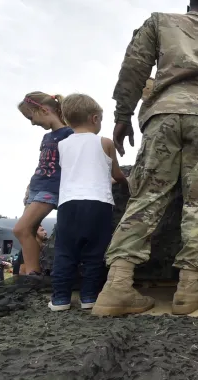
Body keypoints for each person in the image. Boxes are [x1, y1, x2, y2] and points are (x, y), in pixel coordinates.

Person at [93, 0, 198, 317]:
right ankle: (189, 287)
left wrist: (122, 117)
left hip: (161, 117)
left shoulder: (159, 22)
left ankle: (118, 285)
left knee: (146, 195)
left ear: (188, 5)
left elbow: (134, 68)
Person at [48, 94, 127, 312]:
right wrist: (124, 182)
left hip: (68, 204)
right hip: (98, 203)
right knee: (95, 252)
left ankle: (60, 299)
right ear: (94, 119)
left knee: (65, 252)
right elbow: (117, 174)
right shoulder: (105, 143)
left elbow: (76, 172)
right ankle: (90, 297)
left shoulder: (61, 145)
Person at [14, 92, 74, 278]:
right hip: (37, 186)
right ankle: (28, 269)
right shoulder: (47, 137)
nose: (32, 123)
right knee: (30, 230)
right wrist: (28, 188)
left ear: (43, 110)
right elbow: (42, 164)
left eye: (31, 117)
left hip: (51, 188)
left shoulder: (70, 134)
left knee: (20, 229)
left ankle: (33, 274)